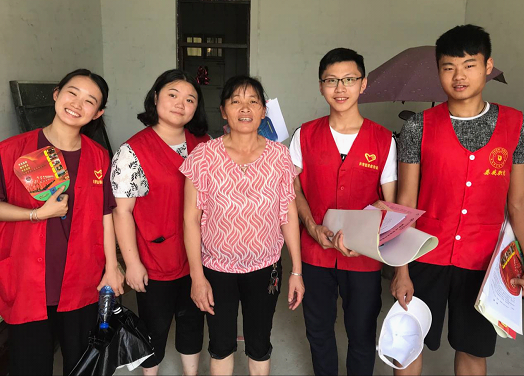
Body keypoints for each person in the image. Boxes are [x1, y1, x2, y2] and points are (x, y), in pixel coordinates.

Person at [391, 24, 524, 375]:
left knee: (474, 350)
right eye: (449, 67)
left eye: (469, 65)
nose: (459, 76)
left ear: (488, 66)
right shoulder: (418, 126)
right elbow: (405, 203)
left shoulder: (516, 125)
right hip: (425, 252)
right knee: (407, 345)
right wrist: (400, 270)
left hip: (483, 260)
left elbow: (520, 202)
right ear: (439, 71)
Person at [0, 69, 124, 375]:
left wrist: (112, 267)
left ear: (98, 112)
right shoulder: (12, 150)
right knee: (29, 366)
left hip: (82, 280)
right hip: (27, 280)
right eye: (72, 93)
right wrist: (35, 214)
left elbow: (106, 215)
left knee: (82, 366)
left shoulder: (98, 157)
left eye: (90, 101)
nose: (77, 104)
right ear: (56, 94)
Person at [180, 75, 304, 376]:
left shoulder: (279, 156)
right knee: (221, 344)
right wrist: (197, 277)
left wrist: (297, 271)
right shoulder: (203, 156)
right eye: (235, 101)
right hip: (216, 268)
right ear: (224, 111)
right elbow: (190, 219)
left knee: (259, 343)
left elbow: (287, 214)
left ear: (263, 111)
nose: (244, 108)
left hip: (265, 267)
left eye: (253, 102)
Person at [290, 48, 398, 376]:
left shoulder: (383, 140)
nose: (340, 88)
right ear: (320, 86)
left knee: (362, 334)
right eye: (331, 80)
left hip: (363, 257)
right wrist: (311, 226)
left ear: (363, 84)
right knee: (318, 331)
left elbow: (390, 203)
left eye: (349, 79)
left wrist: (369, 226)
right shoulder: (304, 135)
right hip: (315, 253)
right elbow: (293, 189)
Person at [111, 69, 210, 376]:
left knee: (193, 323)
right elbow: (122, 212)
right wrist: (132, 264)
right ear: (155, 98)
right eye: (173, 95)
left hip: (199, 257)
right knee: (153, 329)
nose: (181, 104)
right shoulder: (132, 151)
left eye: (190, 99)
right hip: (155, 258)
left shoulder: (205, 144)